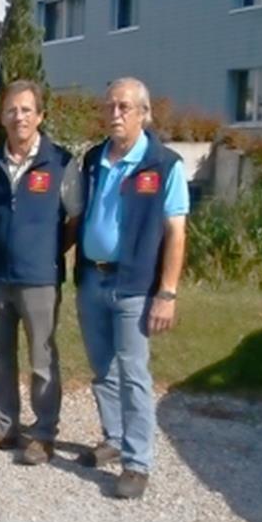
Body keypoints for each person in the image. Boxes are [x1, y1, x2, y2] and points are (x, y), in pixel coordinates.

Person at [75, 77, 189, 499]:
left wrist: (168, 292)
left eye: (124, 107)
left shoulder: (164, 165)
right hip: (91, 277)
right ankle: (114, 437)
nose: (115, 114)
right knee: (102, 366)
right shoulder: (92, 160)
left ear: (144, 113)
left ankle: (137, 462)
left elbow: (176, 232)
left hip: (135, 285)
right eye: (109, 107)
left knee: (134, 373)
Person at [0, 80, 83, 465]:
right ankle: (2, 424)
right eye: (12, 110)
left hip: (39, 279)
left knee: (42, 358)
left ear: (40, 116)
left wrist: (48, 253)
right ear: (3, 117)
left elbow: (74, 219)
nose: (19, 117)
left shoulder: (61, 162)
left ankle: (44, 432)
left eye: (27, 110)